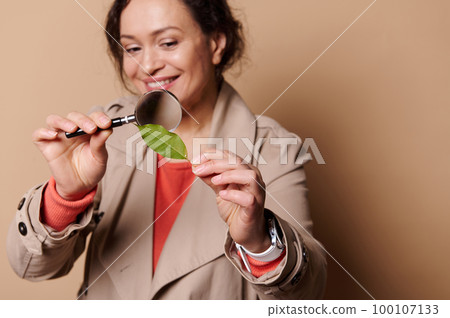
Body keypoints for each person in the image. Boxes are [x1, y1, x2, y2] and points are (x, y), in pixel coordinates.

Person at [7, 0, 327, 299]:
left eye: (168, 42)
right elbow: (31, 268)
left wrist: (258, 240)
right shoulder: (107, 141)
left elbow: (305, 295)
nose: (146, 64)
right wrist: (65, 196)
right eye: (132, 48)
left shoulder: (272, 147)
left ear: (216, 43)